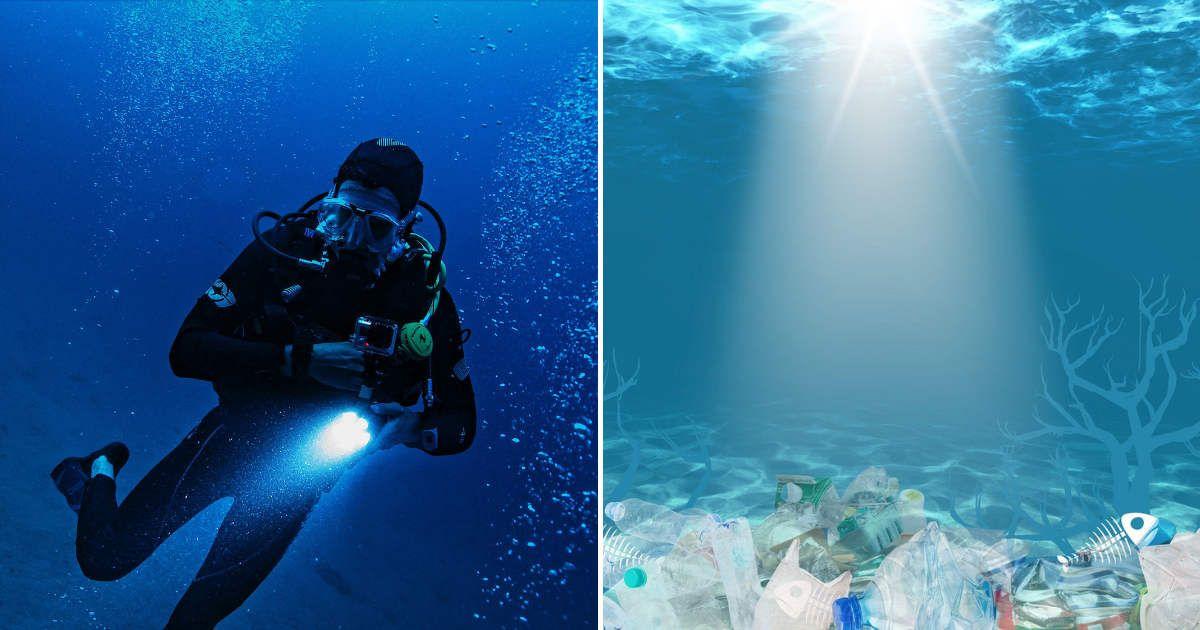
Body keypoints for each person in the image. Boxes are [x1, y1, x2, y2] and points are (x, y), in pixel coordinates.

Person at [50, 138, 476, 628]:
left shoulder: (424, 300)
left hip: (302, 477)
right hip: (231, 435)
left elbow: (461, 422)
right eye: (341, 217)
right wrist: (301, 359)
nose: (351, 239)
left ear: (405, 227)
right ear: (329, 198)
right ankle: (100, 466)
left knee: (194, 620)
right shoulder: (280, 254)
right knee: (104, 562)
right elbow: (185, 351)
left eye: (377, 227)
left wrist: (411, 429)